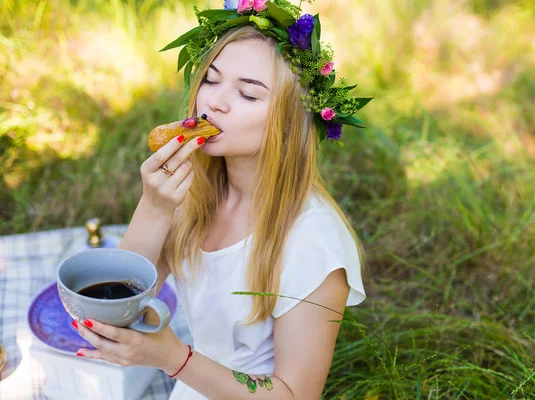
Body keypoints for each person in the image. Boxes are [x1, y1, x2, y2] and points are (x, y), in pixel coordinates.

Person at [71, 1, 371, 399]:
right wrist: (155, 206)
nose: (214, 103)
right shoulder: (194, 193)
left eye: (248, 94)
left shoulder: (313, 242)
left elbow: (295, 394)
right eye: (211, 80)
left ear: (288, 120)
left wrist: (174, 358)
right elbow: (120, 306)